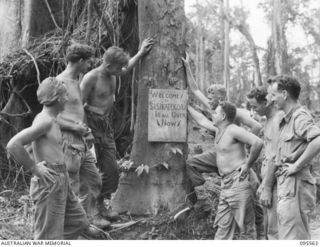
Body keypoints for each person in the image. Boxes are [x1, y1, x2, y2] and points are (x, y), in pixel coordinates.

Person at [182, 54, 265, 238]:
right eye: (209, 97)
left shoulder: (234, 113)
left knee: (254, 207)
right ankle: (203, 197)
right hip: (221, 153)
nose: (208, 101)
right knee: (192, 163)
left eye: (211, 98)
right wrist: (187, 66)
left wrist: (246, 151)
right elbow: (195, 91)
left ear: (221, 99)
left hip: (237, 160)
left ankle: (262, 236)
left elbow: (257, 127)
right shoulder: (215, 110)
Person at [6, 77, 89, 239]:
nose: (67, 99)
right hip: (49, 181)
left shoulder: (53, 119)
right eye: (65, 96)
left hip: (61, 177)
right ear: (58, 98)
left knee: (78, 222)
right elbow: (13, 144)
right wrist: (34, 168)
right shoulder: (44, 121)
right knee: (48, 236)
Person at [80, 38, 154, 217]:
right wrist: (85, 131)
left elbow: (126, 67)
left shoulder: (113, 73)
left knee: (111, 169)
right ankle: (92, 213)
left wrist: (141, 52)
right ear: (107, 64)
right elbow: (78, 105)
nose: (121, 70)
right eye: (117, 67)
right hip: (90, 124)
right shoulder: (91, 78)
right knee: (94, 171)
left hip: (106, 125)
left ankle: (102, 204)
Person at [189, 102, 263, 239]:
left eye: (216, 113)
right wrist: (186, 105)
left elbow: (257, 142)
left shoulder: (233, 130)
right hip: (225, 185)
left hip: (238, 183)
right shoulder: (219, 129)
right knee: (222, 228)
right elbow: (201, 120)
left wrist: (247, 164)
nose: (213, 114)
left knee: (246, 229)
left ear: (223, 116)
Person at [56, 44, 107, 228]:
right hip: (68, 142)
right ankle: (72, 228)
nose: (89, 66)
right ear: (80, 61)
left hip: (81, 141)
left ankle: (86, 221)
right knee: (72, 186)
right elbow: (52, 118)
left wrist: (87, 131)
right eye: (88, 62)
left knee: (93, 180)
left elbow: (78, 110)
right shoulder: (59, 83)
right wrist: (75, 128)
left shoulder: (76, 81)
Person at [267, 75, 320, 240]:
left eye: (273, 94)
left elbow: (318, 140)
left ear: (284, 94)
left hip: (295, 185)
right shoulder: (287, 119)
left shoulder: (299, 116)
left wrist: (296, 166)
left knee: (294, 239)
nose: (270, 99)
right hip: (288, 186)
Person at [247, 87, 284, 239]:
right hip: (268, 179)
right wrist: (263, 184)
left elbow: (275, 156)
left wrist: (267, 187)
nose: (253, 111)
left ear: (266, 102)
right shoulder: (268, 120)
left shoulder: (278, 119)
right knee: (268, 228)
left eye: (255, 107)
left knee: (275, 231)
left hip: (276, 182)